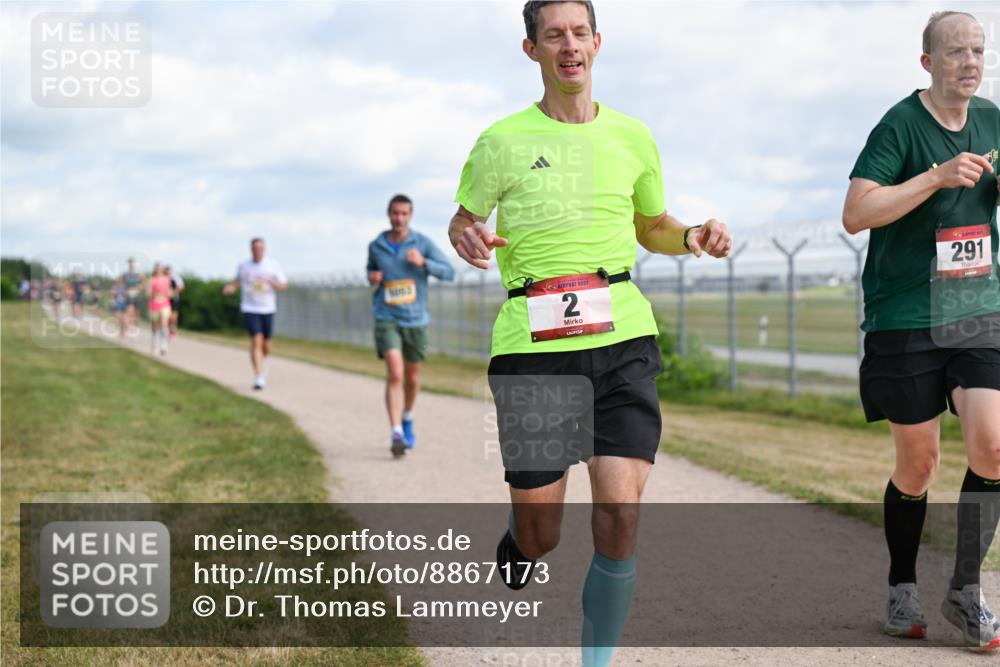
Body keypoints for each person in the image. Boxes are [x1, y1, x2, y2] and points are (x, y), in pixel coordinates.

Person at [448, 3, 731, 665]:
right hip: (534, 348)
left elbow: (651, 224)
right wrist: (465, 233)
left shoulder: (633, 136)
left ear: (597, 43)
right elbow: (464, 218)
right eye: (554, 35)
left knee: (621, 513)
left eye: (579, 33)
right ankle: (520, 541)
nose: (569, 45)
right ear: (532, 49)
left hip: (622, 338)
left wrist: (691, 234)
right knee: (542, 532)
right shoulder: (500, 141)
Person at [842, 10, 1000, 651]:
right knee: (920, 464)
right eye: (956, 52)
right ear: (928, 62)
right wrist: (935, 175)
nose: (970, 62)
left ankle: (966, 590)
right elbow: (857, 212)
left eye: (978, 50)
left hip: (977, 308)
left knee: (994, 446)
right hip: (905, 314)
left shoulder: (992, 119)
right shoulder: (900, 125)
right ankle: (902, 585)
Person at [367, 194, 456, 457]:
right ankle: (396, 432)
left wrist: (424, 262)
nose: (399, 218)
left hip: (416, 320)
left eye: (404, 213)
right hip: (386, 317)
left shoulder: (421, 243)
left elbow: (449, 272)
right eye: (395, 213)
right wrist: (372, 277)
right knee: (396, 374)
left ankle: (407, 416)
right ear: (389, 214)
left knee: (412, 377)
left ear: (410, 215)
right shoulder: (376, 246)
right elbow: (370, 271)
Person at [222, 238, 288, 390]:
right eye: (255, 248)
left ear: (264, 250)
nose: (258, 250)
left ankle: (263, 363)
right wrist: (231, 287)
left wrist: (274, 284)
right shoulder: (244, 265)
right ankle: (258, 376)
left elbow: (284, 285)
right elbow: (238, 281)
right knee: (256, 340)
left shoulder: (273, 265)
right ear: (251, 249)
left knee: (266, 345)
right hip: (250, 308)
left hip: (268, 308)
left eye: (260, 248)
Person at [147, 263, 172, 355]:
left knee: (164, 323)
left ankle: (163, 344)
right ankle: (155, 343)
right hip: (154, 304)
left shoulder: (167, 279)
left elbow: (170, 292)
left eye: (159, 269)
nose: (158, 270)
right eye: (156, 269)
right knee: (155, 326)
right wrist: (152, 293)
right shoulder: (151, 280)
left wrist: (169, 293)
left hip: (165, 303)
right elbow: (148, 293)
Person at [121, 258, 145, 332]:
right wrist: (123, 292)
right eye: (129, 263)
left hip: (136, 294)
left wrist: (140, 287)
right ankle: (128, 325)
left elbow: (143, 282)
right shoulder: (125, 274)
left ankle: (134, 322)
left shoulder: (139, 273)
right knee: (129, 309)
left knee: (136, 310)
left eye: (132, 263)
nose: (130, 264)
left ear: (134, 264)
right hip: (128, 294)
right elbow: (122, 284)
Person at [165, 265, 184, 338]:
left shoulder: (176, 277)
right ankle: (167, 328)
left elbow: (181, 287)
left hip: (174, 298)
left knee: (173, 314)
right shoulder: (163, 277)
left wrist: (173, 292)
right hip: (165, 298)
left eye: (168, 271)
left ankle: (173, 327)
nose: (167, 273)